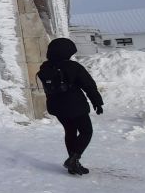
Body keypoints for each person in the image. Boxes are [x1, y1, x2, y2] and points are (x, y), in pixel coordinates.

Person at [37, 37, 103, 176]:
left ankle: (73, 165)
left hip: (56, 106)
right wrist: (97, 102)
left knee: (70, 131)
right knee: (86, 131)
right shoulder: (73, 67)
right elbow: (89, 86)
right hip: (75, 106)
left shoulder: (45, 67)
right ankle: (73, 159)